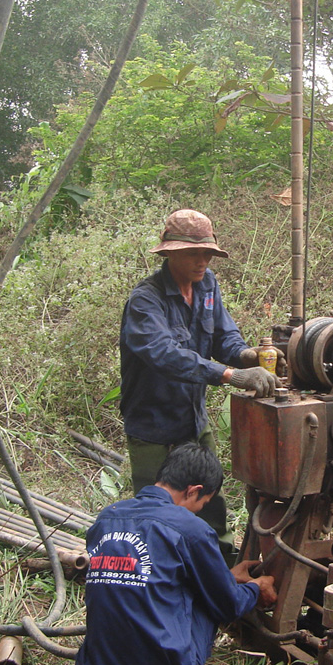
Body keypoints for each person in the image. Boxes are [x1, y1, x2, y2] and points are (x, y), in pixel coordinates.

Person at [74, 443, 277, 665]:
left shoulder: (107, 518)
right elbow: (227, 606)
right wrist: (255, 587)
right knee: (207, 599)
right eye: (202, 504)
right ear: (193, 490)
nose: (198, 511)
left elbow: (149, 579)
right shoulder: (189, 528)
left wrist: (227, 577)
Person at [118, 209, 276, 558]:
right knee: (155, 509)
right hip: (153, 424)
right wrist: (230, 375)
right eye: (192, 253)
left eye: (207, 253)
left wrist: (248, 356)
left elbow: (224, 337)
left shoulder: (207, 285)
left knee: (209, 499)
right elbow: (163, 353)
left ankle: (220, 568)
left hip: (193, 419)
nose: (202, 261)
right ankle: (157, 576)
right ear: (170, 253)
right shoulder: (145, 300)